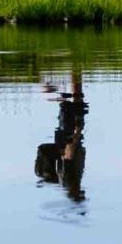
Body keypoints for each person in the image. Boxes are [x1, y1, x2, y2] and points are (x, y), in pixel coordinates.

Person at [34, 70, 89, 205]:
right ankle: (72, 72)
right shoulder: (70, 182)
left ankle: (71, 73)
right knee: (72, 102)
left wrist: (76, 133)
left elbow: (68, 157)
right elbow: (69, 157)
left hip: (69, 136)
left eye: (81, 194)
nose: (83, 192)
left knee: (72, 103)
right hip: (69, 137)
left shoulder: (70, 181)